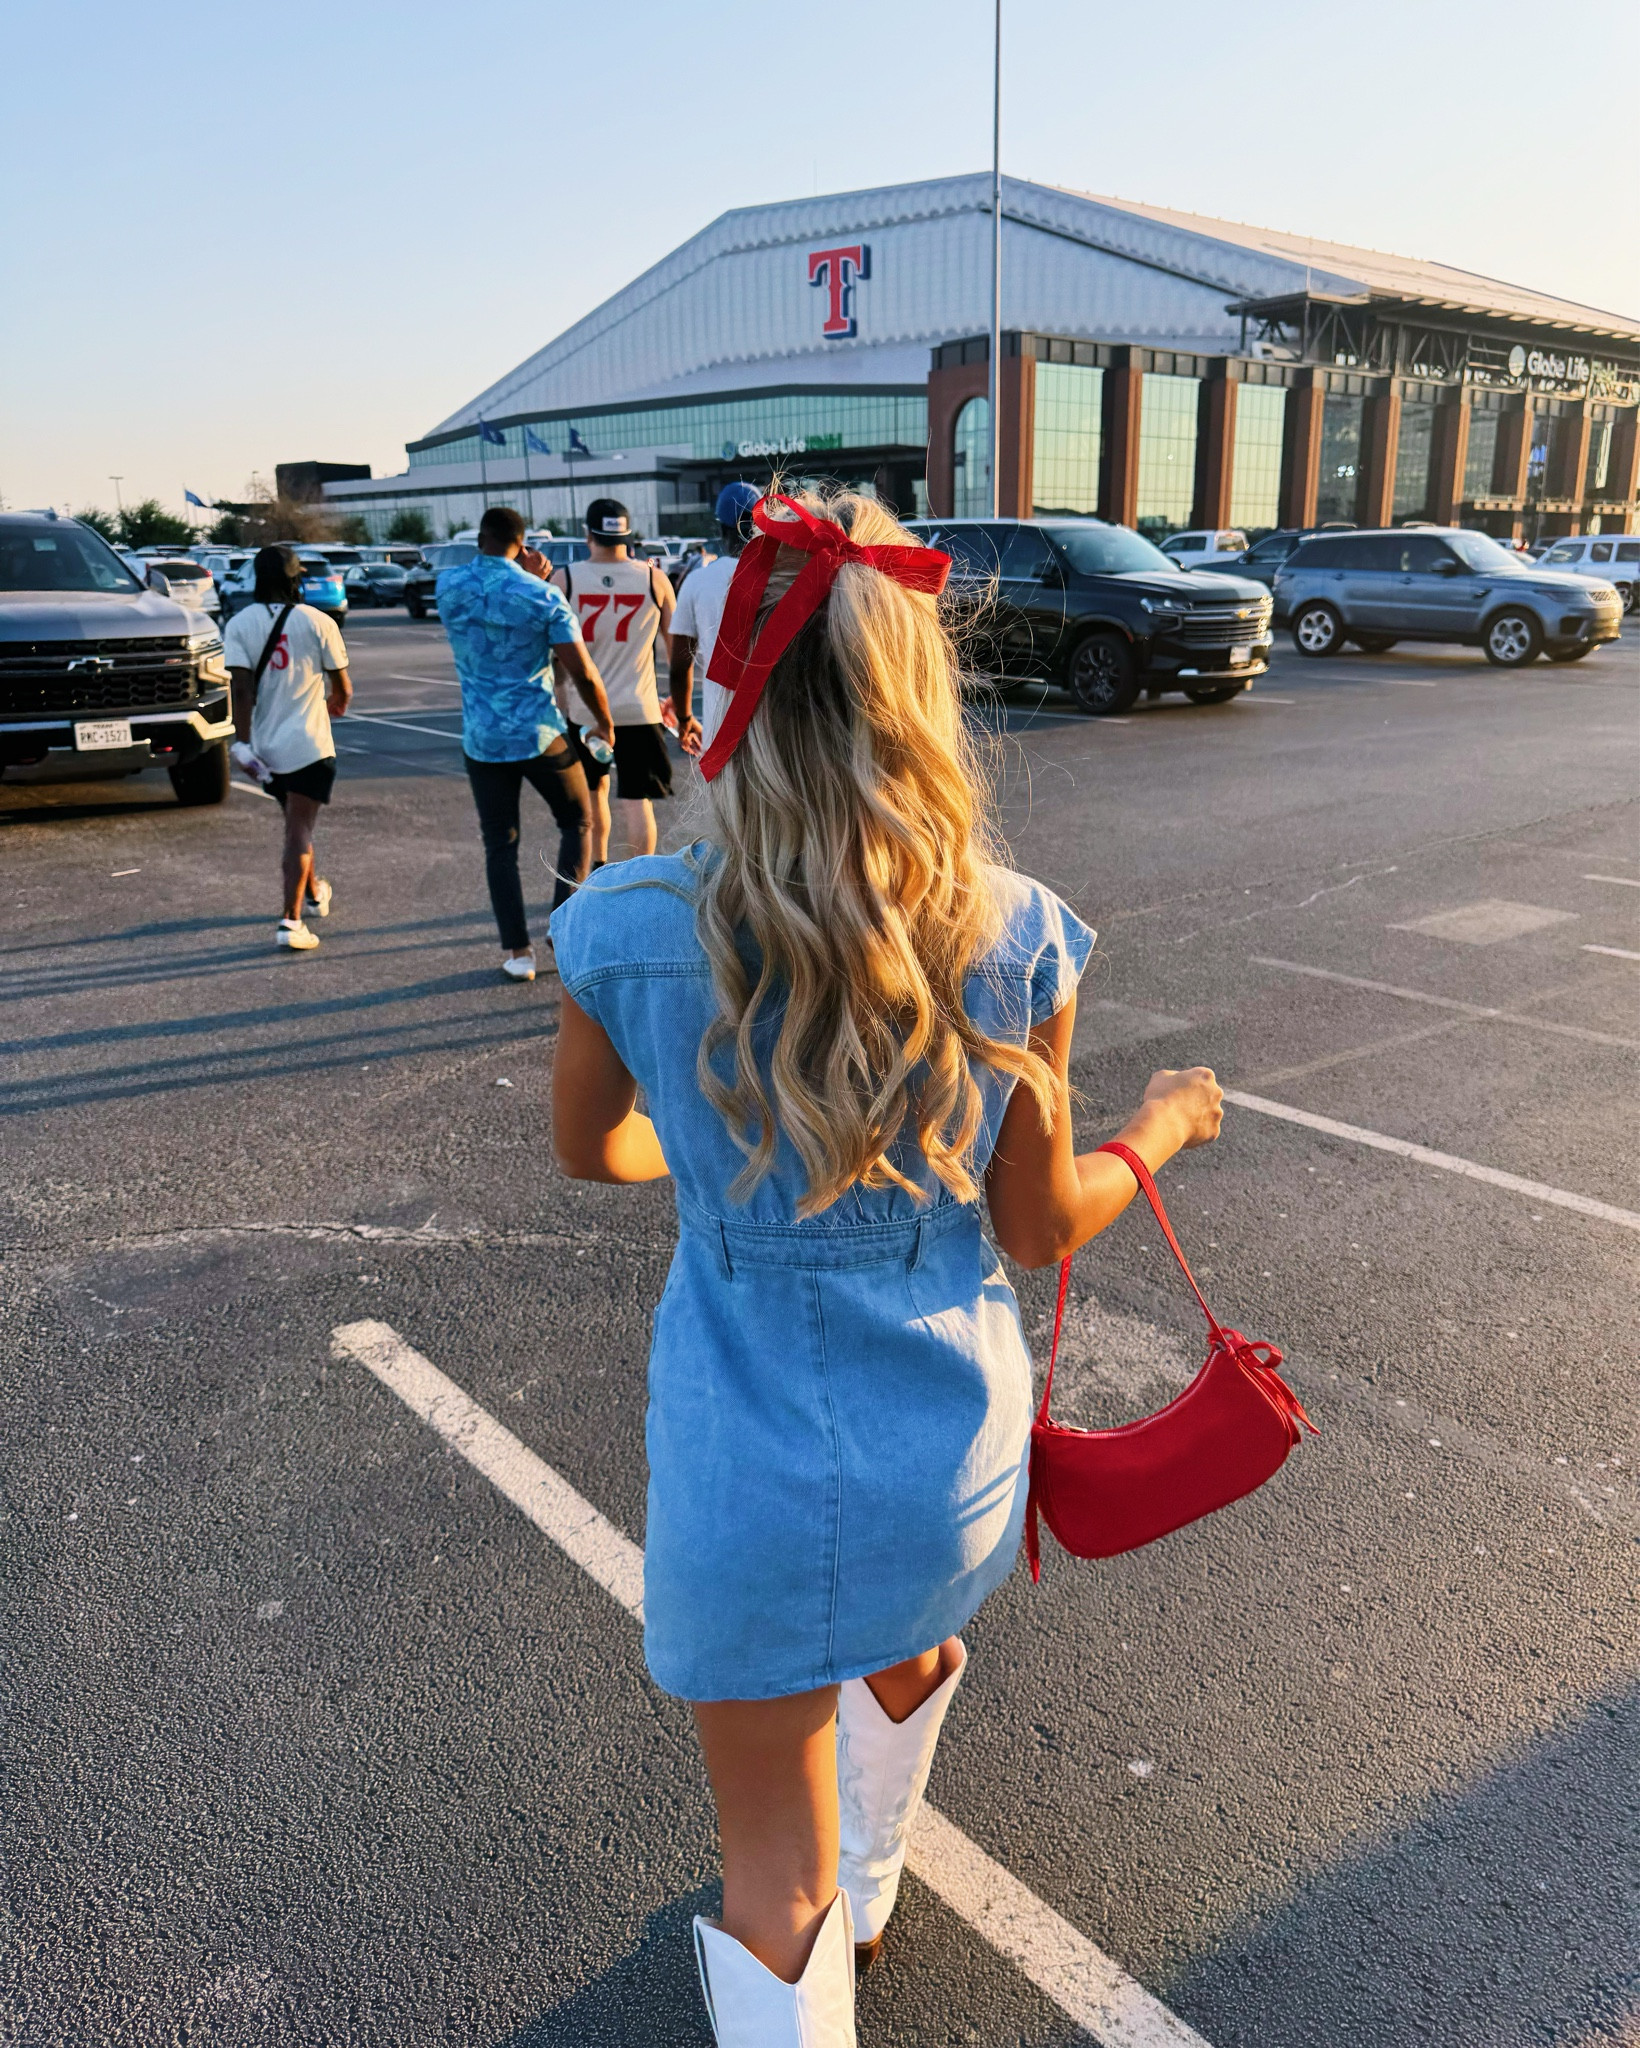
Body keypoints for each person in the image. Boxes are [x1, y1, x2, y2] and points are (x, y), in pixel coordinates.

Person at [549, 487, 1224, 2043]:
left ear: (734, 691)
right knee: (911, 1639)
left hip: (747, 1455)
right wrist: (1169, 1126)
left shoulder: (626, 923)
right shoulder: (1016, 932)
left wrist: (713, 1165)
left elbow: (596, 1149)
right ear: (921, 691)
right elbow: (1042, 1226)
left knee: (761, 1874)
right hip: (948, 1436)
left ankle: (833, 1897)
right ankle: (883, 1865)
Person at [437, 506, 615, 982]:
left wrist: (517, 573)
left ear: (480, 538)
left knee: (500, 844)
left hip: (482, 738)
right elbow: (582, 672)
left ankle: (518, 952)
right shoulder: (543, 596)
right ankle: (562, 926)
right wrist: (604, 723)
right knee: (578, 819)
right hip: (537, 732)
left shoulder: (447, 587)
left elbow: (488, 593)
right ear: (523, 542)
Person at [225, 544, 352, 952]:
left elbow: (241, 688)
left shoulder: (239, 623)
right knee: (299, 828)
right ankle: (290, 920)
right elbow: (343, 688)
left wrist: (242, 742)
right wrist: (335, 703)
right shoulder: (319, 621)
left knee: (295, 821)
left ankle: (314, 894)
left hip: (266, 748)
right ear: (297, 579)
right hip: (310, 744)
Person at [554, 499, 675, 861]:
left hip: (586, 709)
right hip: (639, 705)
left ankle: (596, 875)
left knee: (593, 797)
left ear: (588, 533)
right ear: (628, 534)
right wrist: (676, 704)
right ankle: (639, 882)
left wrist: (562, 699)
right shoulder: (655, 579)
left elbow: (555, 654)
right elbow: (677, 651)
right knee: (638, 803)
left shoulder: (567, 579)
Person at [668, 480, 760, 758]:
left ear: (720, 529)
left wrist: (684, 720)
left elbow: (680, 664)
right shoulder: (785, 577)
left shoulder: (698, 581)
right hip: (778, 731)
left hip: (721, 730)